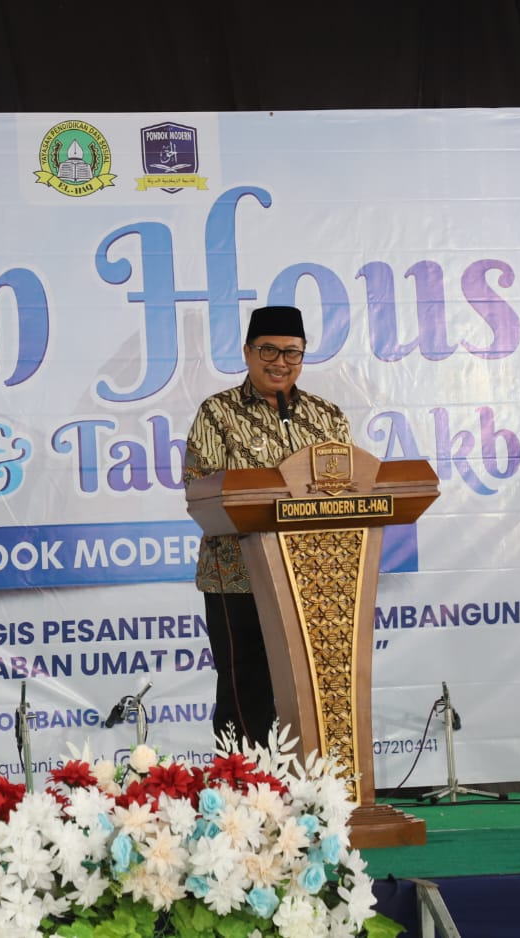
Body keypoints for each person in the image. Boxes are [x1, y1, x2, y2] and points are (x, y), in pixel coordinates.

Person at [182, 305, 353, 743]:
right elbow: (200, 489)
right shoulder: (217, 413)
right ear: (247, 352)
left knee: (313, 684)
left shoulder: (327, 416)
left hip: (313, 577)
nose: (280, 362)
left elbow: (351, 491)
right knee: (246, 687)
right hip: (238, 576)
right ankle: (245, 779)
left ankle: (315, 778)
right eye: (268, 350)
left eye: (292, 352)